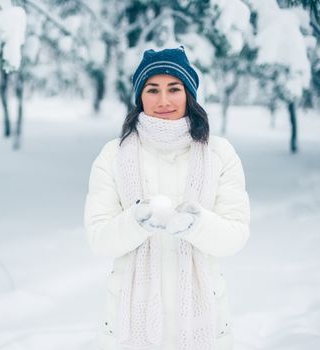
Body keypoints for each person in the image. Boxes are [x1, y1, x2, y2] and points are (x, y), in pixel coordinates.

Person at [84, 46, 250, 350]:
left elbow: (235, 235)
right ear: (139, 97)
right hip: (128, 323)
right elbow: (99, 239)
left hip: (204, 324)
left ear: (189, 93)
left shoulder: (219, 154)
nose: (163, 100)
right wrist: (136, 220)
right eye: (152, 89)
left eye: (174, 88)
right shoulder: (113, 156)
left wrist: (196, 224)